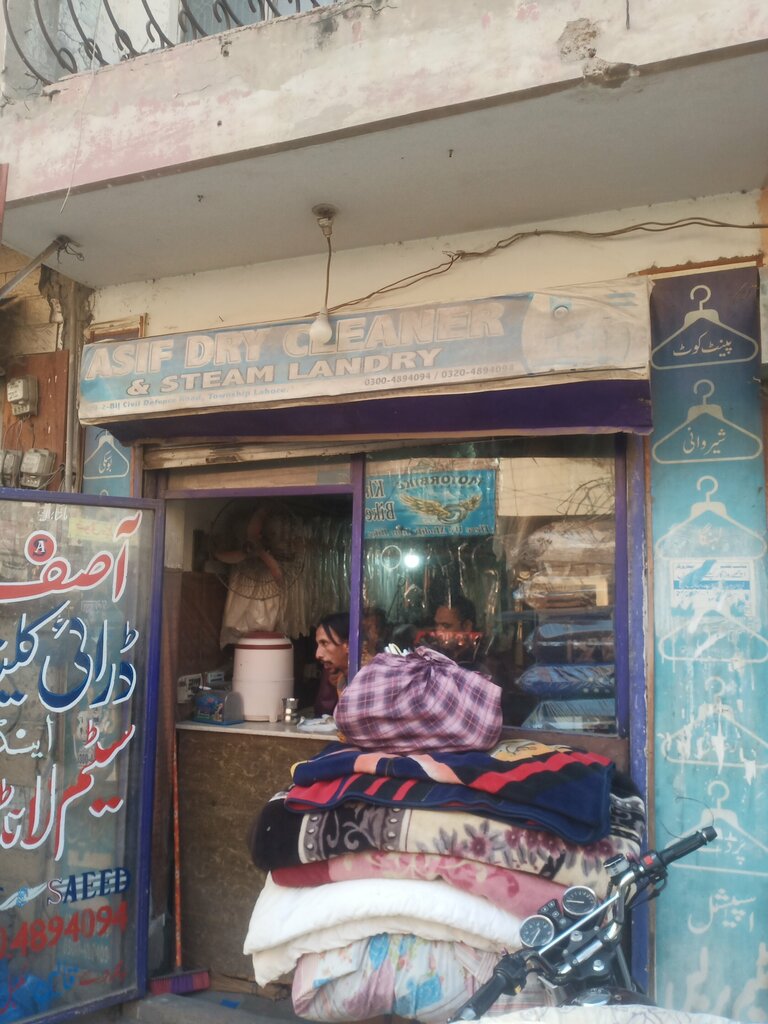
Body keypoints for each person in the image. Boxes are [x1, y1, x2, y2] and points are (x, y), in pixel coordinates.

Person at [313, 612, 350, 715]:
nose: (318, 654)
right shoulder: (341, 681)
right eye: (318, 645)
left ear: (348, 645)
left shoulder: (371, 681)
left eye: (325, 643)